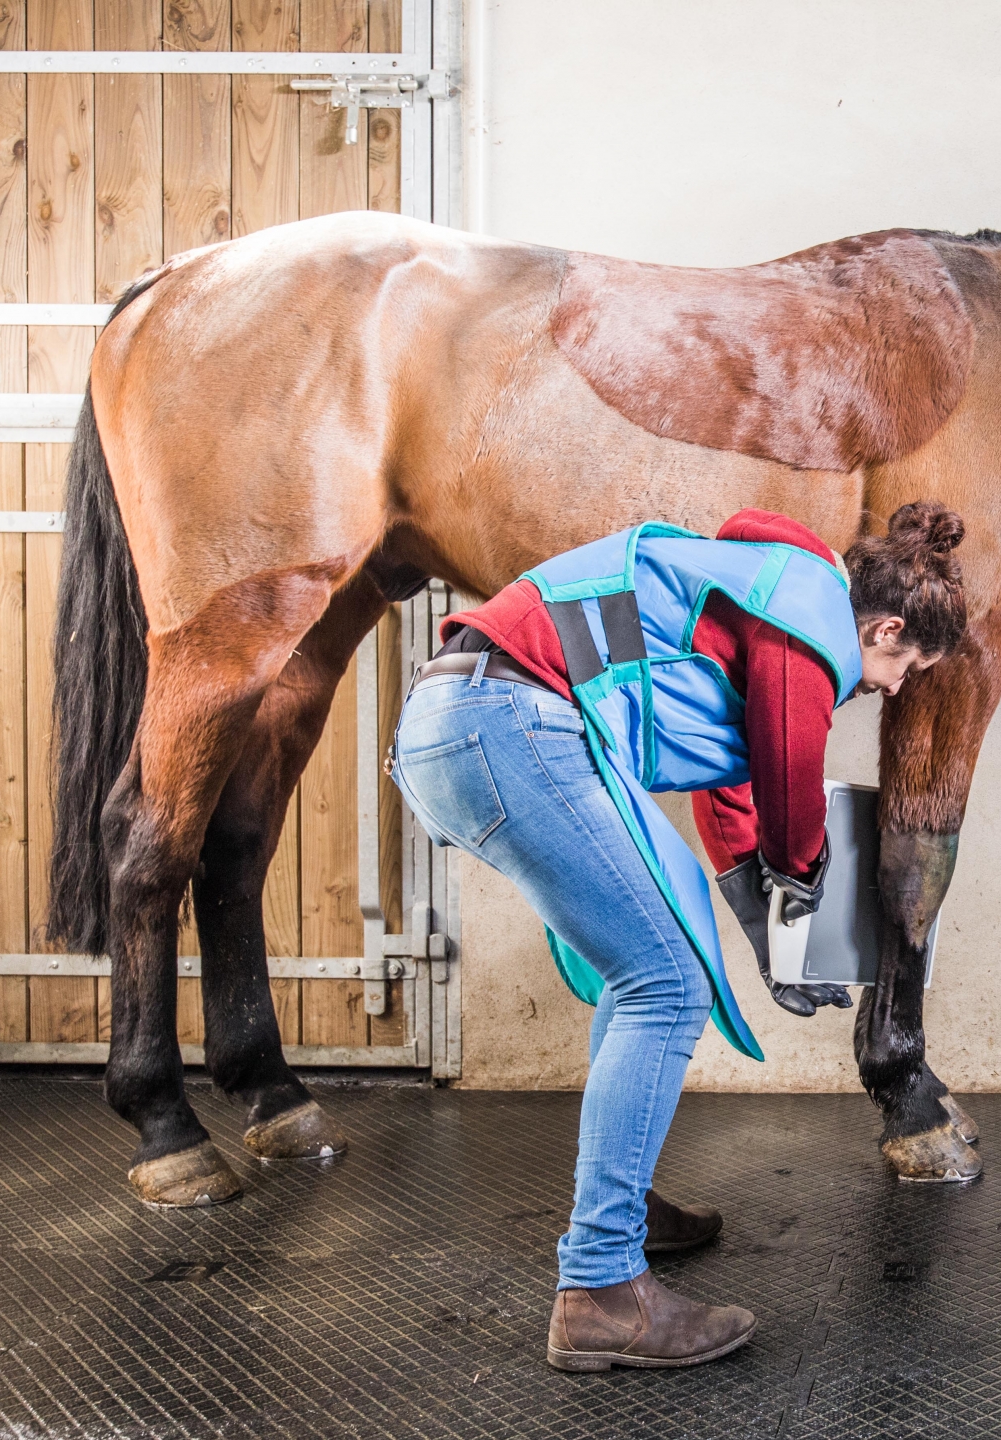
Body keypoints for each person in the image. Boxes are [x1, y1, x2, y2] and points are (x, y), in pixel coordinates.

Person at [391, 502, 968, 1372]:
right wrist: (806, 889)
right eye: (903, 664)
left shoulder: (753, 604)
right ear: (884, 628)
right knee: (665, 983)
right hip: (507, 720)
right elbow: (787, 780)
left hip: (462, 719)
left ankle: (621, 1209)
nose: (891, 686)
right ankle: (599, 1291)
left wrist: (774, 942)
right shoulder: (808, 610)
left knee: (643, 970)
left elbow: (730, 797)